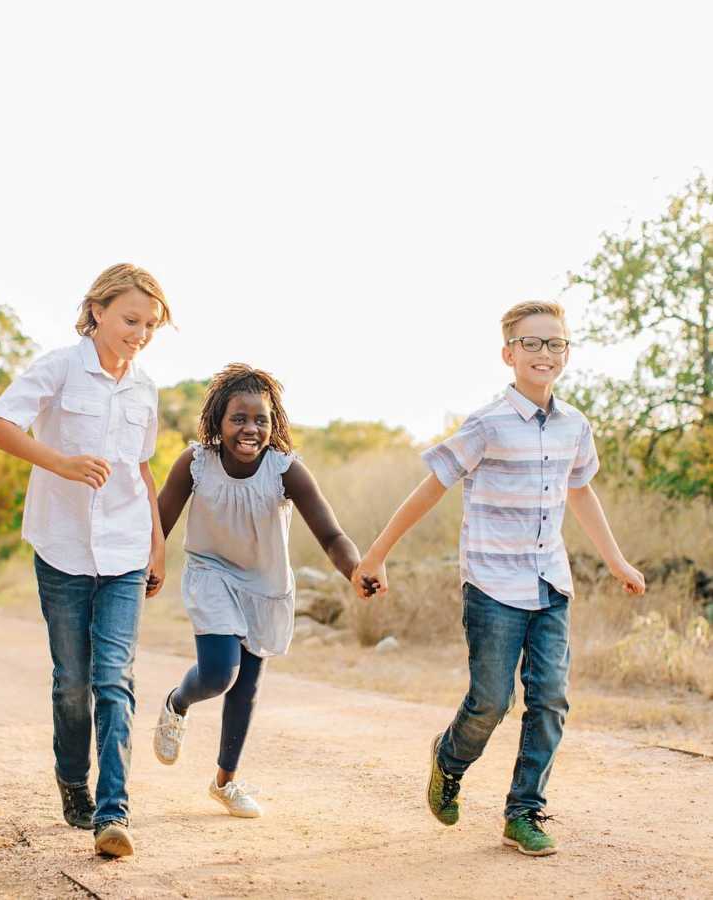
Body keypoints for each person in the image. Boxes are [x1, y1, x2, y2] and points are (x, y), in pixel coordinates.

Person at [353, 301, 645, 856]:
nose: (543, 353)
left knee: (551, 700)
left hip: (550, 582)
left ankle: (524, 812)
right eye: (531, 343)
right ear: (508, 353)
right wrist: (377, 555)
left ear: (567, 354)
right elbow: (432, 486)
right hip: (491, 585)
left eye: (554, 343)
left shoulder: (574, 427)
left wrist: (616, 561)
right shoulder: (487, 423)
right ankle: (449, 758)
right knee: (491, 701)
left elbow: (580, 492)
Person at [0, 263, 171, 858]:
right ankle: (71, 778)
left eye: (150, 325)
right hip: (61, 548)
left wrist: (158, 543)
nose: (139, 333)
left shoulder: (145, 388)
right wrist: (59, 462)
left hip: (125, 549)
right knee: (73, 683)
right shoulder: (59, 368)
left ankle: (114, 814)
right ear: (97, 311)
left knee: (115, 679)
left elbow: (141, 469)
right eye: (130, 319)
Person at [153, 363, 377, 818]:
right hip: (211, 571)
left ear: (274, 424)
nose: (250, 429)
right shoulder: (196, 463)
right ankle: (178, 702)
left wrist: (354, 568)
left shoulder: (286, 470)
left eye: (261, 419)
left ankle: (225, 783)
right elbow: (158, 523)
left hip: (266, 585)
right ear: (218, 420)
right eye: (239, 418)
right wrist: (145, 566)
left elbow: (331, 536)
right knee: (219, 674)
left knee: (246, 687)